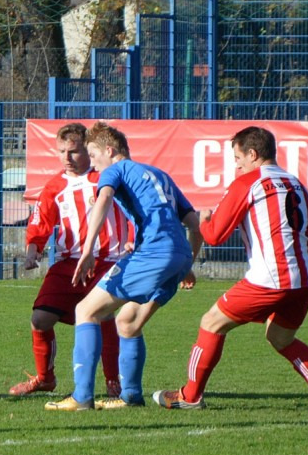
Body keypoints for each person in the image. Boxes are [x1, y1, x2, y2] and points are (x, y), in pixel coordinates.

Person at [152, 126, 308, 412]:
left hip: (271, 277)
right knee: (280, 337)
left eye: (238, 158)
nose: (237, 165)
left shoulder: (248, 182)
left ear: (253, 154)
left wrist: (205, 220)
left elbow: (215, 235)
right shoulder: (294, 182)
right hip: (307, 278)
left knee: (211, 322)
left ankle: (190, 396)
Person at [45, 121, 203, 411]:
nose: (93, 163)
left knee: (86, 310)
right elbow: (195, 224)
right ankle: (130, 396)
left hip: (153, 253)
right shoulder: (160, 174)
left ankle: (81, 397)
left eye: (93, 155)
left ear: (109, 150)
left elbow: (104, 199)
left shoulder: (115, 170)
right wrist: (186, 263)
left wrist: (88, 249)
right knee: (127, 323)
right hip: (177, 255)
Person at [9, 123, 129, 398]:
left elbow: (130, 211)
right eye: (62, 151)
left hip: (107, 261)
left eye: (73, 151)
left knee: (104, 316)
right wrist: (33, 250)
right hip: (69, 263)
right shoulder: (54, 187)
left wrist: (133, 239)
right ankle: (45, 378)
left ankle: (114, 382)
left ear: (88, 150)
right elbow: (40, 223)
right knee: (40, 319)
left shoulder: (106, 178)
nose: (67, 157)